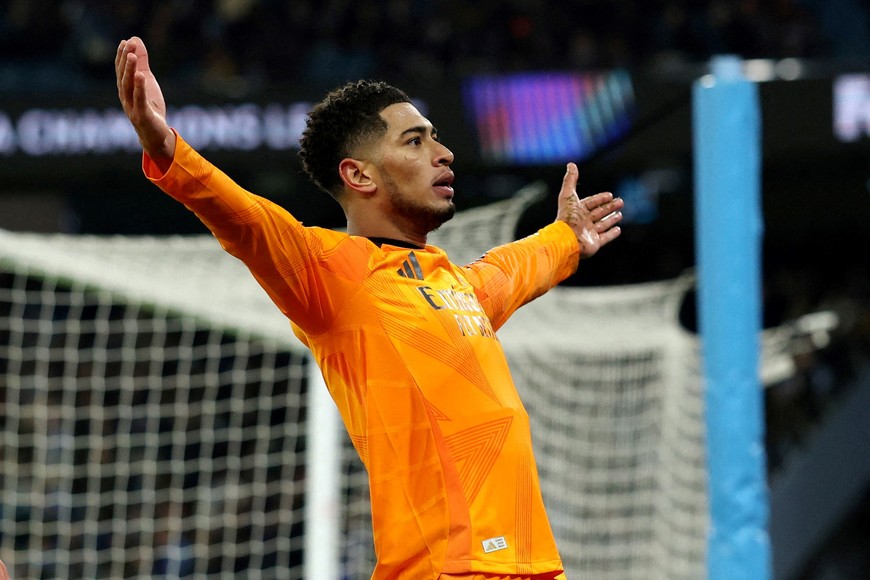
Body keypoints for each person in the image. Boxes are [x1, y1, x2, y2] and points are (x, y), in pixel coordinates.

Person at [116, 35, 623, 580]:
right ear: (359, 175)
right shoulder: (330, 274)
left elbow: (518, 266)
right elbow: (245, 219)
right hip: (444, 570)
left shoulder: (458, 287)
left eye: (436, 138)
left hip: (535, 567)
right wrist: (165, 145)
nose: (443, 152)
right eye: (414, 141)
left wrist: (566, 236)